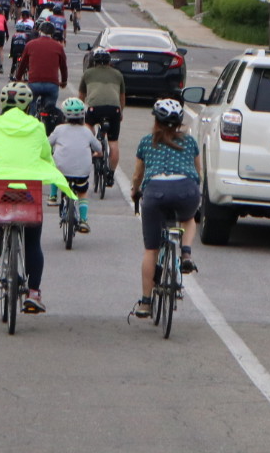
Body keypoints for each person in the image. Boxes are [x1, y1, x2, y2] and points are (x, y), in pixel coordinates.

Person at [0, 82, 76, 316]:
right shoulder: (36, 126)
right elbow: (46, 156)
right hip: (28, 191)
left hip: (1, 189)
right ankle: (34, 293)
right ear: (27, 106)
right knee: (33, 243)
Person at [130, 98, 203, 319]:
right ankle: (186, 253)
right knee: (189, 218)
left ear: (156, 121)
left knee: (151, 250)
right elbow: (198, 172)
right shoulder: (190, 142)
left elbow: (137, 175)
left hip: (156, 192)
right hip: (186, 190)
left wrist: (135, 191)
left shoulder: (146, 142)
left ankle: (145, 302)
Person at [48, 97, 102, 229]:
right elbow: (99, 148)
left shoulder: (59, 129)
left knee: (54, 169)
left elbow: (47, 143)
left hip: (62, 171)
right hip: (81, 172)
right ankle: (83, 220)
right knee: (82, 193)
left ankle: (53, 196)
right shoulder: (87, 131)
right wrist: (97, 153)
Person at [78, 49, 125, 186]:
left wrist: (81, 112)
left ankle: (94, 147)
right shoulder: (118, 74)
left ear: (94, 61)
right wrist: (120, 112)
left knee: (88, 126)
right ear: (109, 61)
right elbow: (122, 97)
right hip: (114, 110)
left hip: (95, 109)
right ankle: (111, 175)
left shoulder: (88, 73)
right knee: (113, 142)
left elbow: (81, 96)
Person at [13, 20, 68, 123]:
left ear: (39, 31)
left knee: (31, 104)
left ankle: (31, 120)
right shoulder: (58, 47)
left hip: (34, 83)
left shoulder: (30, 44)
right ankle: (48, 121)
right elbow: (63, 66)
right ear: (52, 33)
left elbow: (23, 64)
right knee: (50, 109)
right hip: (52, 84)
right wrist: (64, 81)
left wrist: (18, 78)